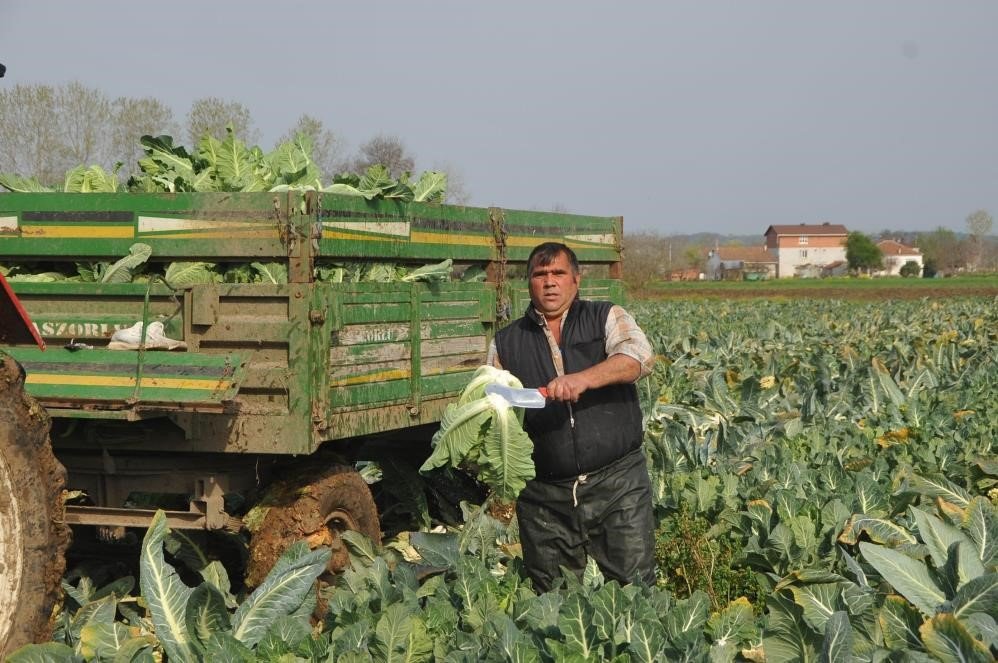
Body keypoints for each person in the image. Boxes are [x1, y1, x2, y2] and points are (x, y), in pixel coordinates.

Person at [487, 241, 656, 592]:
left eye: (558, 273)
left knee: (634, 589)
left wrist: (583, 379)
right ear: (528, 283)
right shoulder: (505, 342)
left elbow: (638, 357)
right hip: (545, 497)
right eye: (540, 274)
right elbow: (494, 404)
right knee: (554, 599)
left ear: (576, 280)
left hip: (617, 483)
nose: (549, 282)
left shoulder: (606, 316)